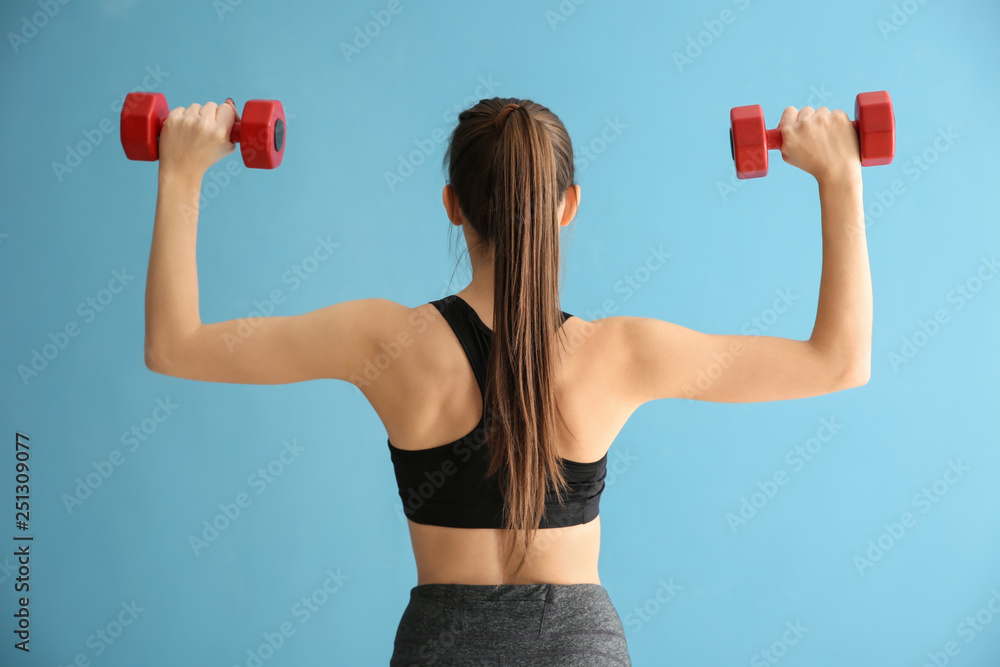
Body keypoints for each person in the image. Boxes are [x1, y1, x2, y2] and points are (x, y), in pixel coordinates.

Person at [144, 95, 871, 666]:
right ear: (568, 206)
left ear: (453, 205)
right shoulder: (623, 352)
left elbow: (175, 346)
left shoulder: (384, 342)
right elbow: (837, 359)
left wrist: (181, 169)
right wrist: (839, 174)